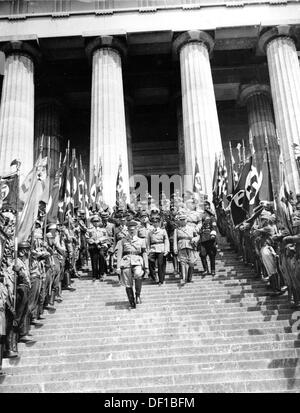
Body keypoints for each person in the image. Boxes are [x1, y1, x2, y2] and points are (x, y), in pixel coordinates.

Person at [116, 220, 149, 308]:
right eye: (130, 230)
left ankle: (137, 295)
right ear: (127, 230)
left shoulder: (141, 240)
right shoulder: (123, 241)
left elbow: (144, 253)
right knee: (127, 283)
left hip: (137, 260)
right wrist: (118, 267)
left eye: (133, 230)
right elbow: (119, 254)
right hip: (126, 261)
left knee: (138, 274)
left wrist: (146, 267)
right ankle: (132, 302)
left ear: (136, 230)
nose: (132, 231)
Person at [173, 213, 199, 285]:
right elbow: (175, 239)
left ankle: (189, 277)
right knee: (183, 263)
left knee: (192, 262)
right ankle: (183, 278)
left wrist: (194, 239)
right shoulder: (177, 230)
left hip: (190, 245)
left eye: (184, 220)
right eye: (181, 220)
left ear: (186, 220)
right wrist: (175, 248)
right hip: (181, 246)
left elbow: (197, 236)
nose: (182, 221)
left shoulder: (191, 228)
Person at [147, 216, 170, 285]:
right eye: (153, 222)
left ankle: (161, 279)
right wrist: (148, 250)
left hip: (161, 248)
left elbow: (166, 240)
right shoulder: (150, 232)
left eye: (156, 222)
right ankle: (154, 276)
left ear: (159, 223)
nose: (155, 224)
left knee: (161, 264)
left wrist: (166, 250)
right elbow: (148, 241)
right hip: (153, 248)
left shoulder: (163, 231)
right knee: (150, 261)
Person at [86, 215, 110, 281]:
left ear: (99, 222)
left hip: (101, 246)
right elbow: (87, 238)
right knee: (94, 260)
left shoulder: (103, 229)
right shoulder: (89, 230)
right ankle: (95, 275)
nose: (96, 223)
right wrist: (94, 242)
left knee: (102, 258)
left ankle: (102, 273)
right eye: (94, 221)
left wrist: (99, 241)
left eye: (97, 221)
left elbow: (106, 237)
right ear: (92, 222)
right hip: (93, 246)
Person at [198, 201, 217, 276]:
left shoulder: (212, 215)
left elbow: (214, 226)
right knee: (202, 254)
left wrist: (213, 234)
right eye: (204, 205)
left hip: (210, 237)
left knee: (212, 254)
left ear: (209, 206)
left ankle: (213, 270)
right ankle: (205, 269)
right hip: (203, 238)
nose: (205, 206)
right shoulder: (202, 215)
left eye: (206, 205)